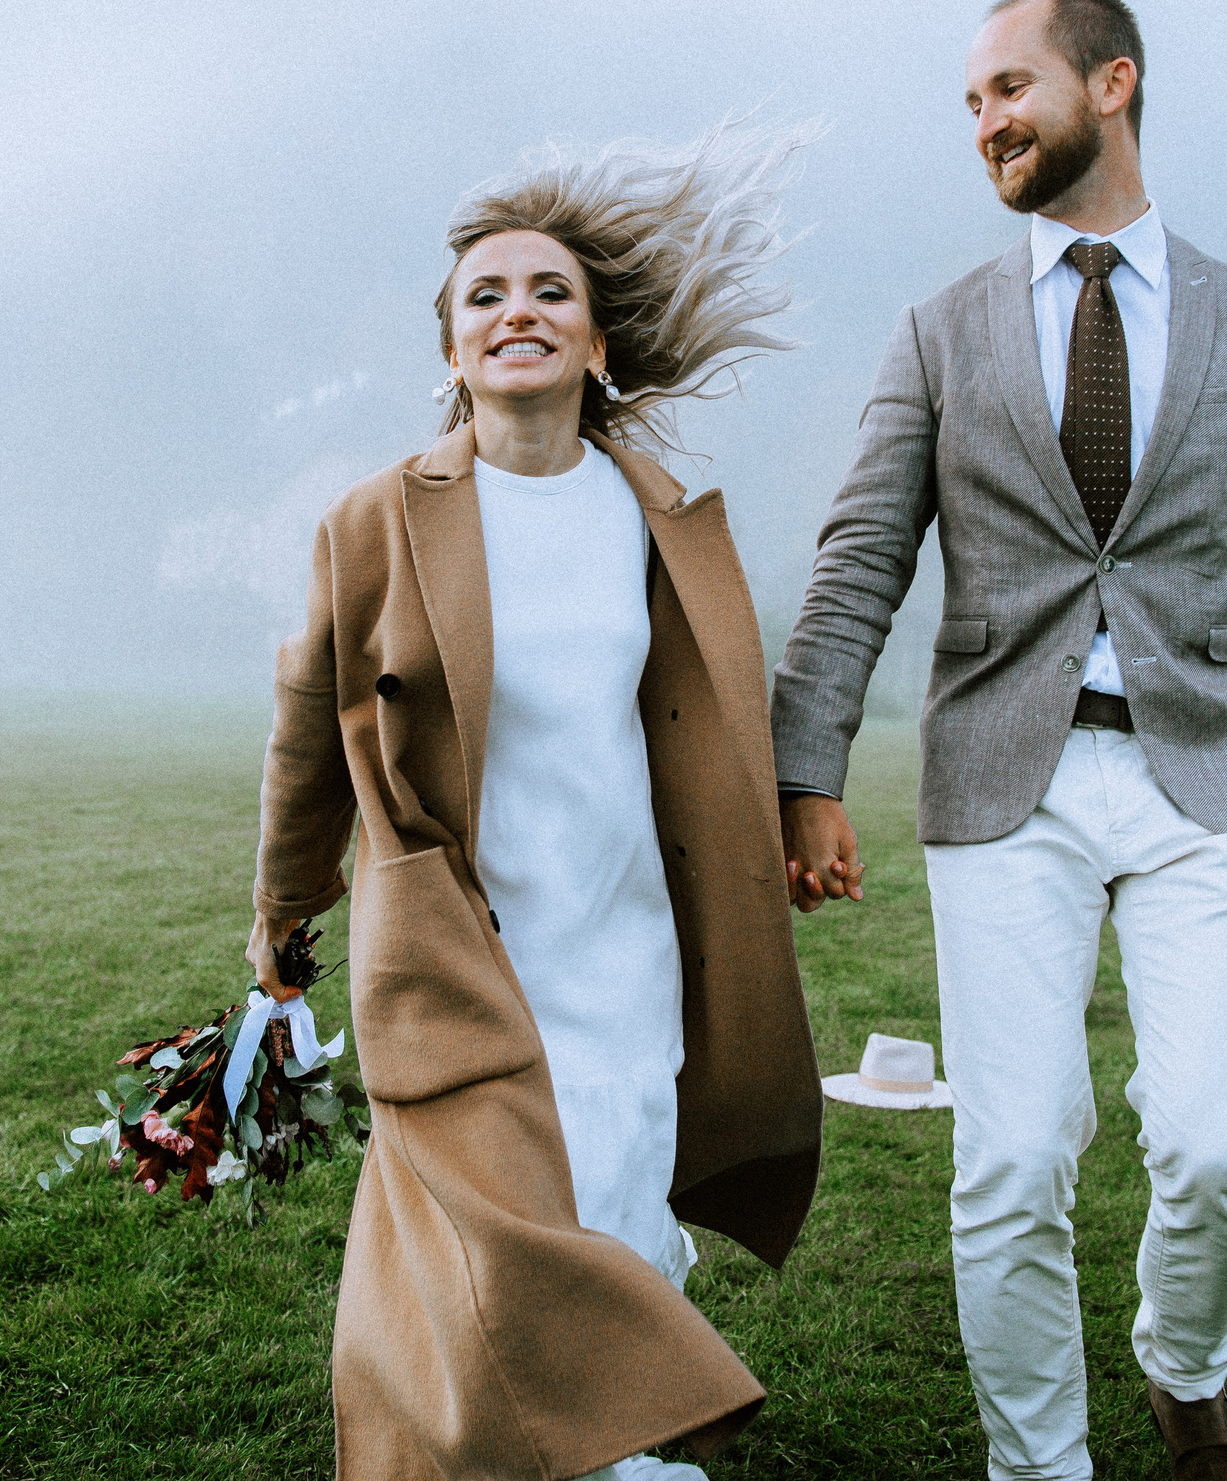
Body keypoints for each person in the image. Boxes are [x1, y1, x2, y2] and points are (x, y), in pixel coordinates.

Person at [770, 0, 1227, 1481]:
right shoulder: (941, 332)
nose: (986, 123)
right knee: (1013, 1151)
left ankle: (1190, 1382)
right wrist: (808, 771)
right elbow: (861, 554)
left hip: (1220, 768)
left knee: (1217, 1140)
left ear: (1111, 83)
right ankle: (1037, 1467)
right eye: (972, 105)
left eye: (1010, 88)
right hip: (1006, 778)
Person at [247, 128, 825, 1481]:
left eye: (551, 292)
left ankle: (616, 1453)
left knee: (614, 1218)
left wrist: (786, 828)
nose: (519, 312)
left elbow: (710, 724)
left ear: (600, 343)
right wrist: (284, 911)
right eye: (485, 297)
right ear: (451, 353)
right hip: (460, 951)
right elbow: (302, 735)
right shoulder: (375, 521)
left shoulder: (657, 515)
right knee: (488, 1259)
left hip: (624, 945)